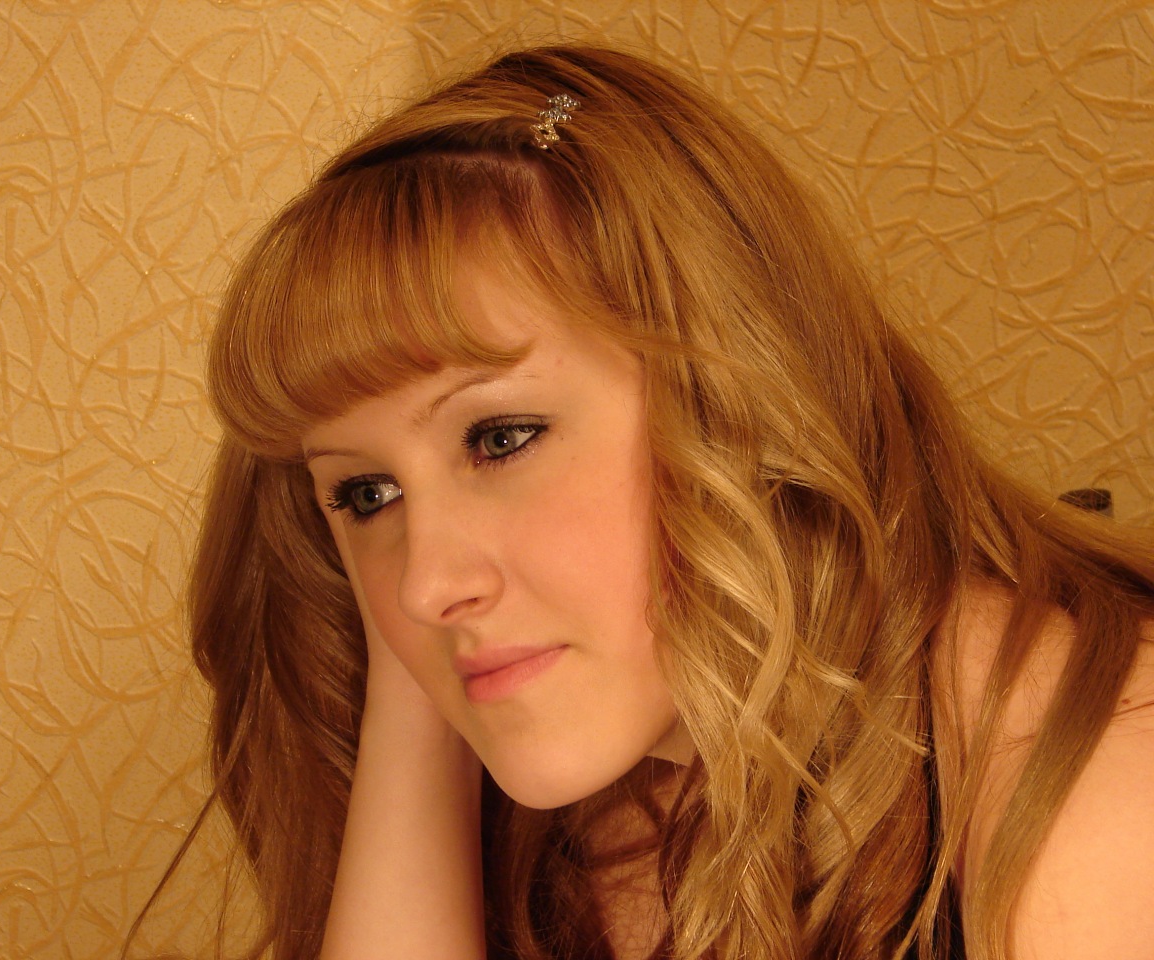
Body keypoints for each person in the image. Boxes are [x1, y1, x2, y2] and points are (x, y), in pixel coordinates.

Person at [151, 45, 1154, 960]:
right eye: (366, 491)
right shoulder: (604, 770)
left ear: (733, 394)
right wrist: (417, 685)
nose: (422, 583)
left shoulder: (1091, 796)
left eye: (500, 438)